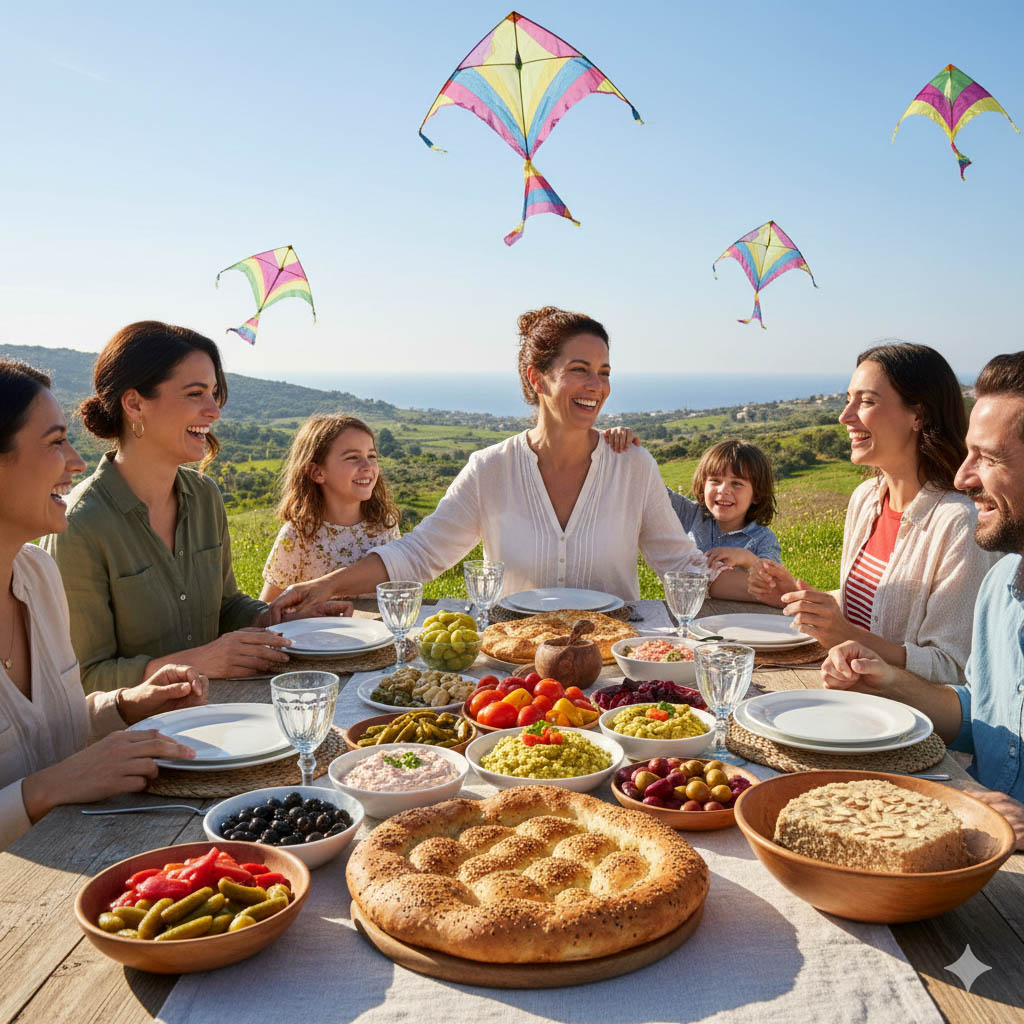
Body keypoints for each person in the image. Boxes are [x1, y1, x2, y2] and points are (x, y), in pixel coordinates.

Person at [274, 306, 748, 608]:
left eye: (604, 372)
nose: (596, 386)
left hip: (614, 670)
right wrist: (326, 585)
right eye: (579, 370)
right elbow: (418, 554)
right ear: (537, 379)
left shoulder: (632, 466)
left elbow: (684, 567)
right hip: (516, 677)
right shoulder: (490, 469)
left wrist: (781, 591)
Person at [43, 322, 351, 690]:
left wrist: (281, 619)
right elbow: (86, 679)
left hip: (216, 713)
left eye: (214, 393)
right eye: (195, 394)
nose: (214, 410)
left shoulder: (206, 497)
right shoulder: (80, 525)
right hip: (136, 738)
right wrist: (199, 661)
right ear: (135, 403)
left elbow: (226, 606)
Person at [0, 359, 208, 851]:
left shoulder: (37, 575)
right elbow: (45, 771)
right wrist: (43, 792)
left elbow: (46, 734)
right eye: (55, 442)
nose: (75, 460)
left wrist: (125, 705)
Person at [821, 352, 1024, 850]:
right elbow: (980, 715)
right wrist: (889, 680)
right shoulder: (1001, 586)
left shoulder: (956, 525)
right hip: (979, 845)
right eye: (969, 453)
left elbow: (947, 664)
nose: (963, 478)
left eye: (990, 458)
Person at [748, 343, 997, 682]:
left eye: (866, 401)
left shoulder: (960, 521)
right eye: (849, 399)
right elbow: (876, 606)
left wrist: (843, 634)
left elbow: (954, 669)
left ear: (918, 415)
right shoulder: (866, 499)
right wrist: (800, 597)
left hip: (912, 726)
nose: (845, 415)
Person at [260, 414, 401, 601]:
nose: (367, 466)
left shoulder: (384, 525)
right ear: (317, 472)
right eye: (352, 457)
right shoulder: (297, 535)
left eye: (371, 456)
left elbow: (399, 591)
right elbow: (269, 607)